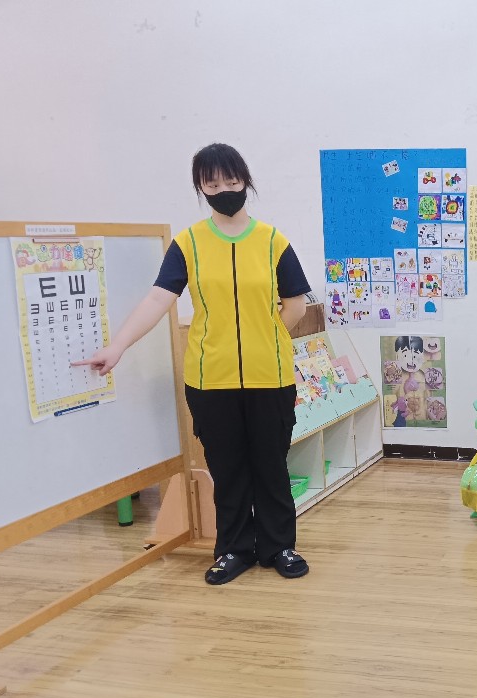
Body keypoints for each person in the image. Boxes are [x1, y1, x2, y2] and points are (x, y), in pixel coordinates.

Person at [74, 143, 312, 585]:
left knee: (271, 466)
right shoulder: (189, 243)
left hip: (271, 377)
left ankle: (279, 546)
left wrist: (265, 338)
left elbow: (295, 304)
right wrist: (118, 345)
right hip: (210, 379)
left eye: (231, 180)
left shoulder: (273, 241)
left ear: (245, 181)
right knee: (228, 469)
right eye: (212, 184)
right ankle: (234, 549)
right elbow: (157, 298)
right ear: (201, 189)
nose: (224, 190)